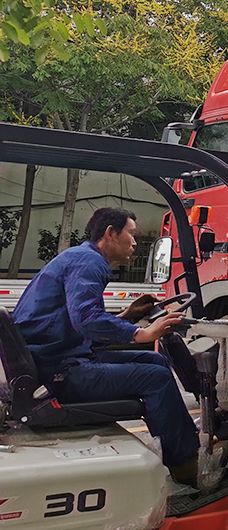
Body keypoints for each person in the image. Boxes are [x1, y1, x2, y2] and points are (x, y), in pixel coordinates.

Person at [13, 207, 200, 485]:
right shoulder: (91, 262)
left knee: (157, 361)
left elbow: (75, 322)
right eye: (131, 235)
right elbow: (86, 320)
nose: (134, 243)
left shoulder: (79, 257)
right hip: (58, 371)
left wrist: (127, 316)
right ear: (111, 233)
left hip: (56, 358)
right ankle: (185, 466)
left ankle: (177, 442)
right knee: (157, 378)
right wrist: (141, 333)